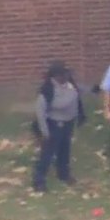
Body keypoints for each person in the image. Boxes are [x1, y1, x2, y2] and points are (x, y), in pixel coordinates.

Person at [31, 61, 86, 192]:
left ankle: (63, 174)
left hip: (68, 123)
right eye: (63, 74)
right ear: (55, 76)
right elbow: (40, 111)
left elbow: (80, 92)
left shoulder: (71, 85)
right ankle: (39, 181)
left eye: (67, 74)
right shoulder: (48, 90)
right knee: (47, 154)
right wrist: (45, 132)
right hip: (55, 124)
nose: (66, 77)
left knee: (64, 151)